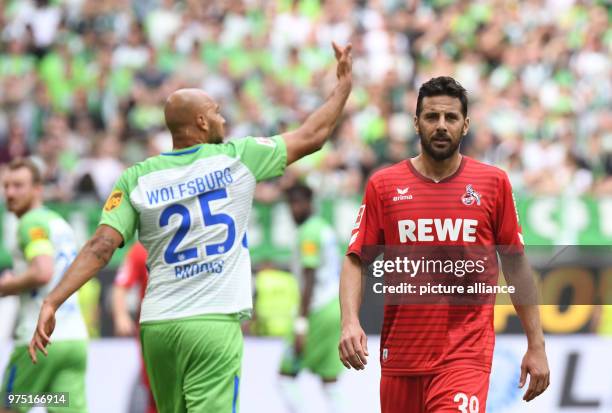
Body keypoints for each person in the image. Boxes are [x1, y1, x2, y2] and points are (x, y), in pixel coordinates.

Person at [29, 42, 352, 413]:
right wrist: (342, 87)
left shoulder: (137, 176)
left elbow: (101, 247)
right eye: (216, 113)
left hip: (158, 326)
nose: (223, 120)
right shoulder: (238, 157)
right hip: (213, 322)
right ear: (200, 122)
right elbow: (312, 135)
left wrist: (53, 299)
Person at [339, 76, 550, 412]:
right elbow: (355, 259)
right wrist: (350, 321)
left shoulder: (492, 184)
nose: (441, 126)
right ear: (416, 123)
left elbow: (516, 266)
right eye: (431, 117)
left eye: (450, 118)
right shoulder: (384, 185)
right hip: (401, 360)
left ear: (465, 126)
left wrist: (536, 344)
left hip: (464, 357)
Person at [0, 158, 88, 413]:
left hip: (38, 341)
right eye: (6, 186)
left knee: (8, 407)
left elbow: (42, 271)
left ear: (37, 188)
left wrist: (7, 286)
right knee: (61, 405)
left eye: (18, 186)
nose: (10, 193)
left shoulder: (31, 223)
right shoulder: (58, 223)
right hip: (74, 342)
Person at [278, 184, 344, 413]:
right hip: (334, 307)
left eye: (297, 203)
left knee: (286, 375)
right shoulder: (323, 228)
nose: (293, 210)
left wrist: (301, 324)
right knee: (329, 379)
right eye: (290, 205)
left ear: (309, 203)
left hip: (317, 310)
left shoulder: (308, 233)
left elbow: (310, 275)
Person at [111, 241, 157, 413]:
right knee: (154, 390)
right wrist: (121, 315)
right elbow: (121, 284)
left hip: (184, 325)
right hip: (152, 331)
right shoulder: (140, 249)